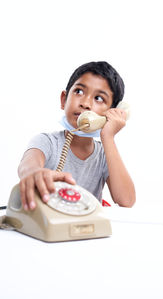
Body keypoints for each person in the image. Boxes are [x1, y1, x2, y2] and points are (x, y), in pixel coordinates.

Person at [18, 61, 136, 211]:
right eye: (79, 91)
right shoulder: (47, 142)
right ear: (63, 100)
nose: (86, 103)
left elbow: (126, 200)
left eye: (99, 98)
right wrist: (34, 173)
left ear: (112, 112)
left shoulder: (105, 155)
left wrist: (108, 137)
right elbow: (28, 166)